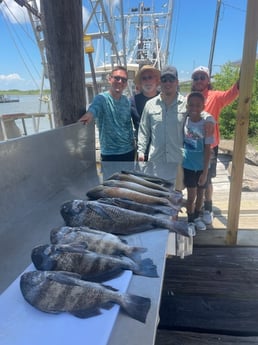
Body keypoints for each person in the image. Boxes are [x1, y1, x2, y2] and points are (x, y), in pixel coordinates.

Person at [137, 65, 214, 187]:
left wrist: (209, 119)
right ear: (160, 82)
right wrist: (141, 152)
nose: (168, 83)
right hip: (156, 161)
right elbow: (143, 130)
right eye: (164, 79)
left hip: (177, 161)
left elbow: (199, 112)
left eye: (171, 79)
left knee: (175, 197)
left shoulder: (185, 103)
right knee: (157, 196)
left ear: (177, 82)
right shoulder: (150, 105)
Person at [191, 66, 239, 225]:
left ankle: (208, 208)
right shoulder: (189, 98)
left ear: (208, 80)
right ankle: (194, 209)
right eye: (196, 77)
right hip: (192, 147)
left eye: (202, 77)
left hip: (209, 147)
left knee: (207, 180)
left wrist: (243, 76)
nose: (199, 80)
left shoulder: (216, 96)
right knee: (193, 179)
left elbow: (232, 93)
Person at [80, 66, 135, 179]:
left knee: (129, 187)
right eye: (117, 78)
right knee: (111, 190)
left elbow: (128, 125)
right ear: (110, 79)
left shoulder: (126, 101)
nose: (120, 82)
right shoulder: (101, 98)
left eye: (124, 80)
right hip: (110, 154)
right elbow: (94, 108)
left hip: (129, 151)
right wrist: (89, 115)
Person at [183, 92, 214, 232]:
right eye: (191, 104)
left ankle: (197, 216)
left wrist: (205, 171)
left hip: (201, 167)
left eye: (198, 105)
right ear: (187, 106)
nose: (194, 107)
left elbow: (208, 149)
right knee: (191, 196)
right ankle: (190, 219)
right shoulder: (184, 120)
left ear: (203, 107)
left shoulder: (206, 124)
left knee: (201, 194)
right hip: (188, 166)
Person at [131, 65, 160, 160]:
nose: (147, 81)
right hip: (142, 153)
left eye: (150, 77)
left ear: (156, 80)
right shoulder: (133, 101)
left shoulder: (164, 99)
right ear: (141, 82)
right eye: (144, 78)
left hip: (161, 152)